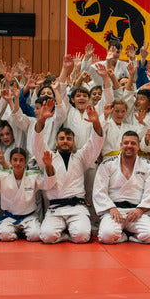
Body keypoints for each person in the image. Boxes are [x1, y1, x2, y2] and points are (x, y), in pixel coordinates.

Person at [31, 100, 104, 244]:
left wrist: (96, 123)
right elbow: (37, 143)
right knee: (46, 236)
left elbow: (95, 144)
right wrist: (42, 120)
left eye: (69, 139)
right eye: (62, 139)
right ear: (56, 142)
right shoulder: (48, 157)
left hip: (77, 208)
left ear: (73, 142)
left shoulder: (81, 157)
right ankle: (66, 234)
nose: (65, 141)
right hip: (55, 209)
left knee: (82, 236)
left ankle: (68, 233)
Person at [92, 131, 150, 244]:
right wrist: (111, 208)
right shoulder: (107, 165)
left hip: (137, 212)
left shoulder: (148, 167)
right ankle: (124, 236)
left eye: (133, 143)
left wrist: (140, 210)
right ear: (121, 145)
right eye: (126, 143)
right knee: (106, 236)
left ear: (138, 146)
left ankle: (131, 236)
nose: (129, 146)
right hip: (114, 211)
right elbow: (99, 191)